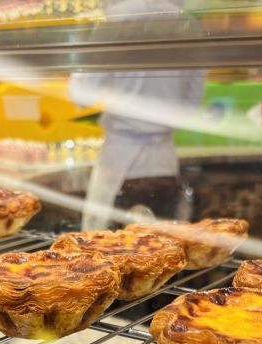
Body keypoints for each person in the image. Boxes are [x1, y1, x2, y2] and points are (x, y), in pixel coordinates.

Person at [69, 0, 204, 228]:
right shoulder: (186, 27)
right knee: (164, 243)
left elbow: (80, 94)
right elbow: (192, 102)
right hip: (164, 162)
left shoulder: (112, 27)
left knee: (105, 245)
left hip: (120, 161)